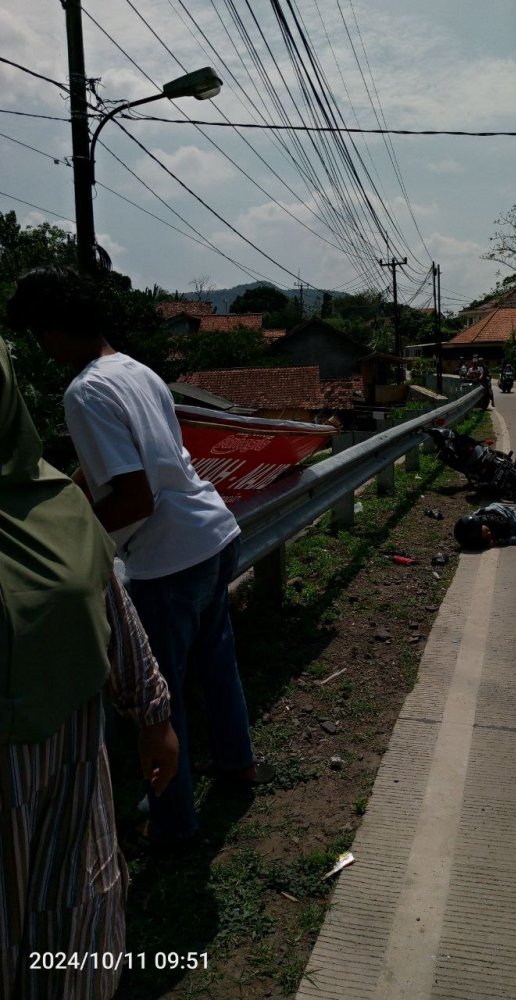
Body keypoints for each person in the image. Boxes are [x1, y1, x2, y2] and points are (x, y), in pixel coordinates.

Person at [7, 267, 272, 851]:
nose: (39, 347)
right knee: (216, 661)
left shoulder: (83, 393)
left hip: (166, 560)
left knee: (161, 696)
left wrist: (74, 543)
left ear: (52, 329)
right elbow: (117, 467)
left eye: (36, 333)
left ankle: (173, 824)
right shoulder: (136, 370)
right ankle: (239, 764)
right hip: (213, 535)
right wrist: (68, 503)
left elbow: (133, 495)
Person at [0, 335, 178, 999]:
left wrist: (152, 713)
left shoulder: (58, 507)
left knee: (69, 928)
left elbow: (110, 601)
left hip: (70, 771)